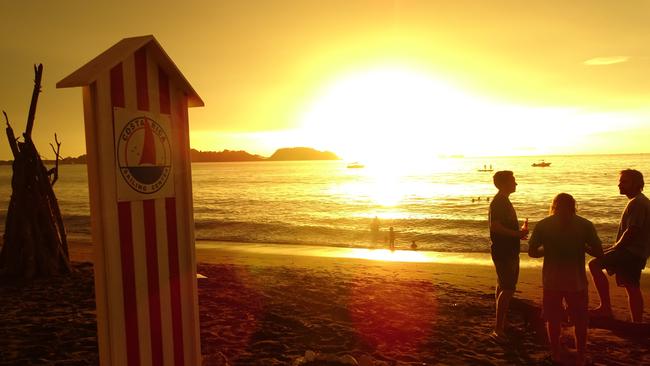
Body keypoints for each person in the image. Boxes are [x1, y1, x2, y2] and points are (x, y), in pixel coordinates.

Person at [528, 193, 603, 365]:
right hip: (576, 280)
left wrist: (546, 250)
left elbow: (532, 252)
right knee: (580, 320)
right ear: (574, 206)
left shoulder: (543, 224)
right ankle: (581, 356)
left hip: (552, 280)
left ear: (553, 205)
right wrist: (582, 246)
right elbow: (598, 252)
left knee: (553, 318)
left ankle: (555, 353)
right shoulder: (585, 225)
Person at [588, 169, 650, 323]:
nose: (619, 184)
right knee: (632, 286)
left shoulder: (637, 202)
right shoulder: (640, 201)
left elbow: (632, 231)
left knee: (594, 265)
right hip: (638, 251)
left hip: (631, 251)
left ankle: (605, 308)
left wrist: (615, 248)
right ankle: (637, 322)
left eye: (624, 182)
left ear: (636, 184)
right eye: (620, 181)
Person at [488, 170, 529, 341]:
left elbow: (500, 226)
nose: (516, 184)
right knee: (508, 288)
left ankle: (502, 322)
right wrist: (517, 235)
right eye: (513, 181)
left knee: (503, 285)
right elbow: (495, 227)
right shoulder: (499, 202)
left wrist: (518, 232)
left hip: (506, 249)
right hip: (504, 250)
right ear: (504, 184)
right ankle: (498, 328)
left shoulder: (503, 201)